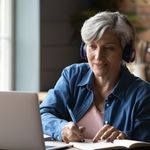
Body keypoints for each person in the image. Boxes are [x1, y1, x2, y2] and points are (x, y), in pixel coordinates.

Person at [40, 11, 150, 143]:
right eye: (92, 46)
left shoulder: (143, 94)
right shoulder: (72, 76)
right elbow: (43, 115)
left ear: (125, 52)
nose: (98, 57)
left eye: (108, 48)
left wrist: (124, 138)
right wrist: (61, 128)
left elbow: (145, 141)